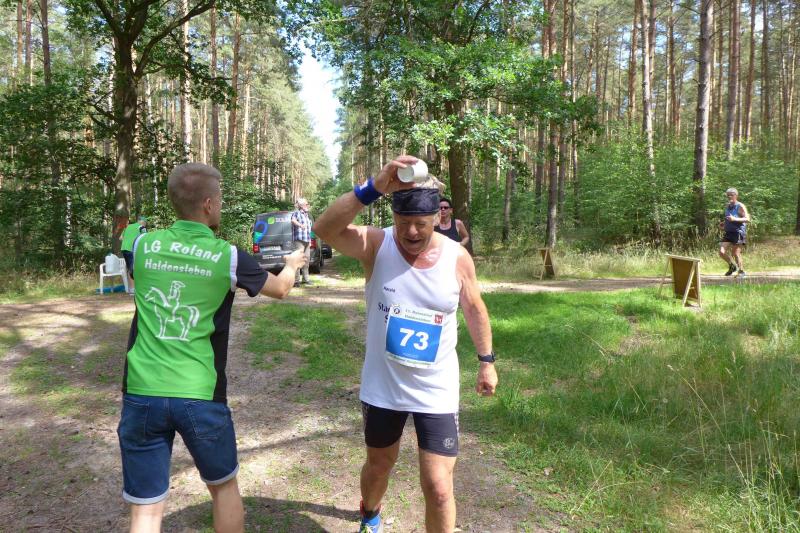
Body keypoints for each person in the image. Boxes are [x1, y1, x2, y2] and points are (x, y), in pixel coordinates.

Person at [313, 155, 498, 533]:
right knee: (379, 466)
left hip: (436, 388)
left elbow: (475, 308)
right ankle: (370, 513)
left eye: (421, 225)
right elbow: (324, 228)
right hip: (384, 386)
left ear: (437, 219)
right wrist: (373, 187)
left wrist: (486, 361)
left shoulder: (457, 257)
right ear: (393, 219)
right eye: (403, 224)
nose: (411, 233)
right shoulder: (376, 244)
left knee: (440, 487)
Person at [117, 163, 306, 533]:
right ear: (207, 204)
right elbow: (281, 289)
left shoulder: (142, 244)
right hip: (200, 393)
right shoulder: (227, 256)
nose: (220, 205)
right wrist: (292, 264)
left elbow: (135, 267)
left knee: (146, 508)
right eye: (219, 199)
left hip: (141, 391)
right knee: (223, 488)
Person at [718, 187, 751, 278]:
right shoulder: (728, 206)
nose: (729, 197)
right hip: (729, 232)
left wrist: (734, 219)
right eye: (728, 195)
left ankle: (741, 271)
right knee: (721, 252)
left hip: (738, 232)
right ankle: (732, 266)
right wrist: (724, 224)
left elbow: (747, 219)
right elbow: (729, 218)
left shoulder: (740, 206)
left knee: (735, 253)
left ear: (736, 195)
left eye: (731, 195)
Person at [121, 215, 148, 293]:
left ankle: (131, 288)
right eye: (145, 223)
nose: (145, 225)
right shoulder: (141, 227)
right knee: (133, 268)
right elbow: (146, 238)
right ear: (143, 222)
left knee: (129, 268)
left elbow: (121, 238)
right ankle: (133, 289)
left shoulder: (128, 226)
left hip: (124, 248)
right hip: (132, 249)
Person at [290, 197, 313, 287]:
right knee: (298, 260)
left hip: (307, 240)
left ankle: (305, 279)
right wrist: (300, 225)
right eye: (307, 204)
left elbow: (309, 229)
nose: (308, 205)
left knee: (306, 260)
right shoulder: (297, 213)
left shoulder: (307, 215)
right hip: (299, 240)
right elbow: (293, 220)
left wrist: (310, 241)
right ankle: (296, 281)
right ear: (301, 205)